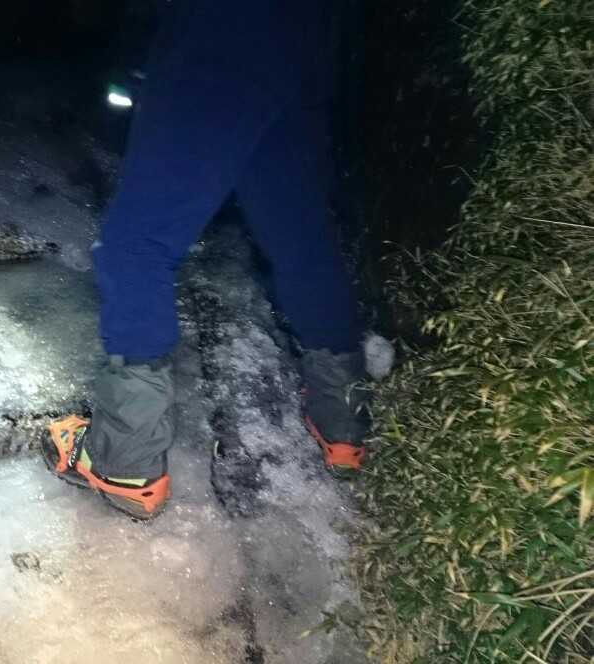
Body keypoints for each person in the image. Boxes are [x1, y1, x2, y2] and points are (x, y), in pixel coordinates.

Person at [42, 1, 387, 519]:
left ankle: (125, 462)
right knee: (300, 234)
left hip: (219, 34)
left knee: (138, 242)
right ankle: (343, 423)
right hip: (305, 34)